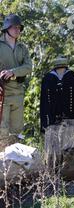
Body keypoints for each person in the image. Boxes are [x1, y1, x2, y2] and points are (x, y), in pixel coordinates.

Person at [0, 14, 32, 142]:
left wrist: (13, 72)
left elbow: (28, 67)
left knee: (17, 131)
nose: (17, 30)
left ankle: (13, 160)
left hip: (18, 92)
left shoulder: (22, 48)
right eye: (14, 27)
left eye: (19, 28)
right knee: (2, 129)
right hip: (2, 93)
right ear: (7, 28)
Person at [40, 55, 74, 132]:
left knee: (68, 143)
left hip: (68, 121)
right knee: (53, 143)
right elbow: (44, 102)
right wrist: (45, 123)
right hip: (52, 122)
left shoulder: (72, 77)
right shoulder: (48, 78)